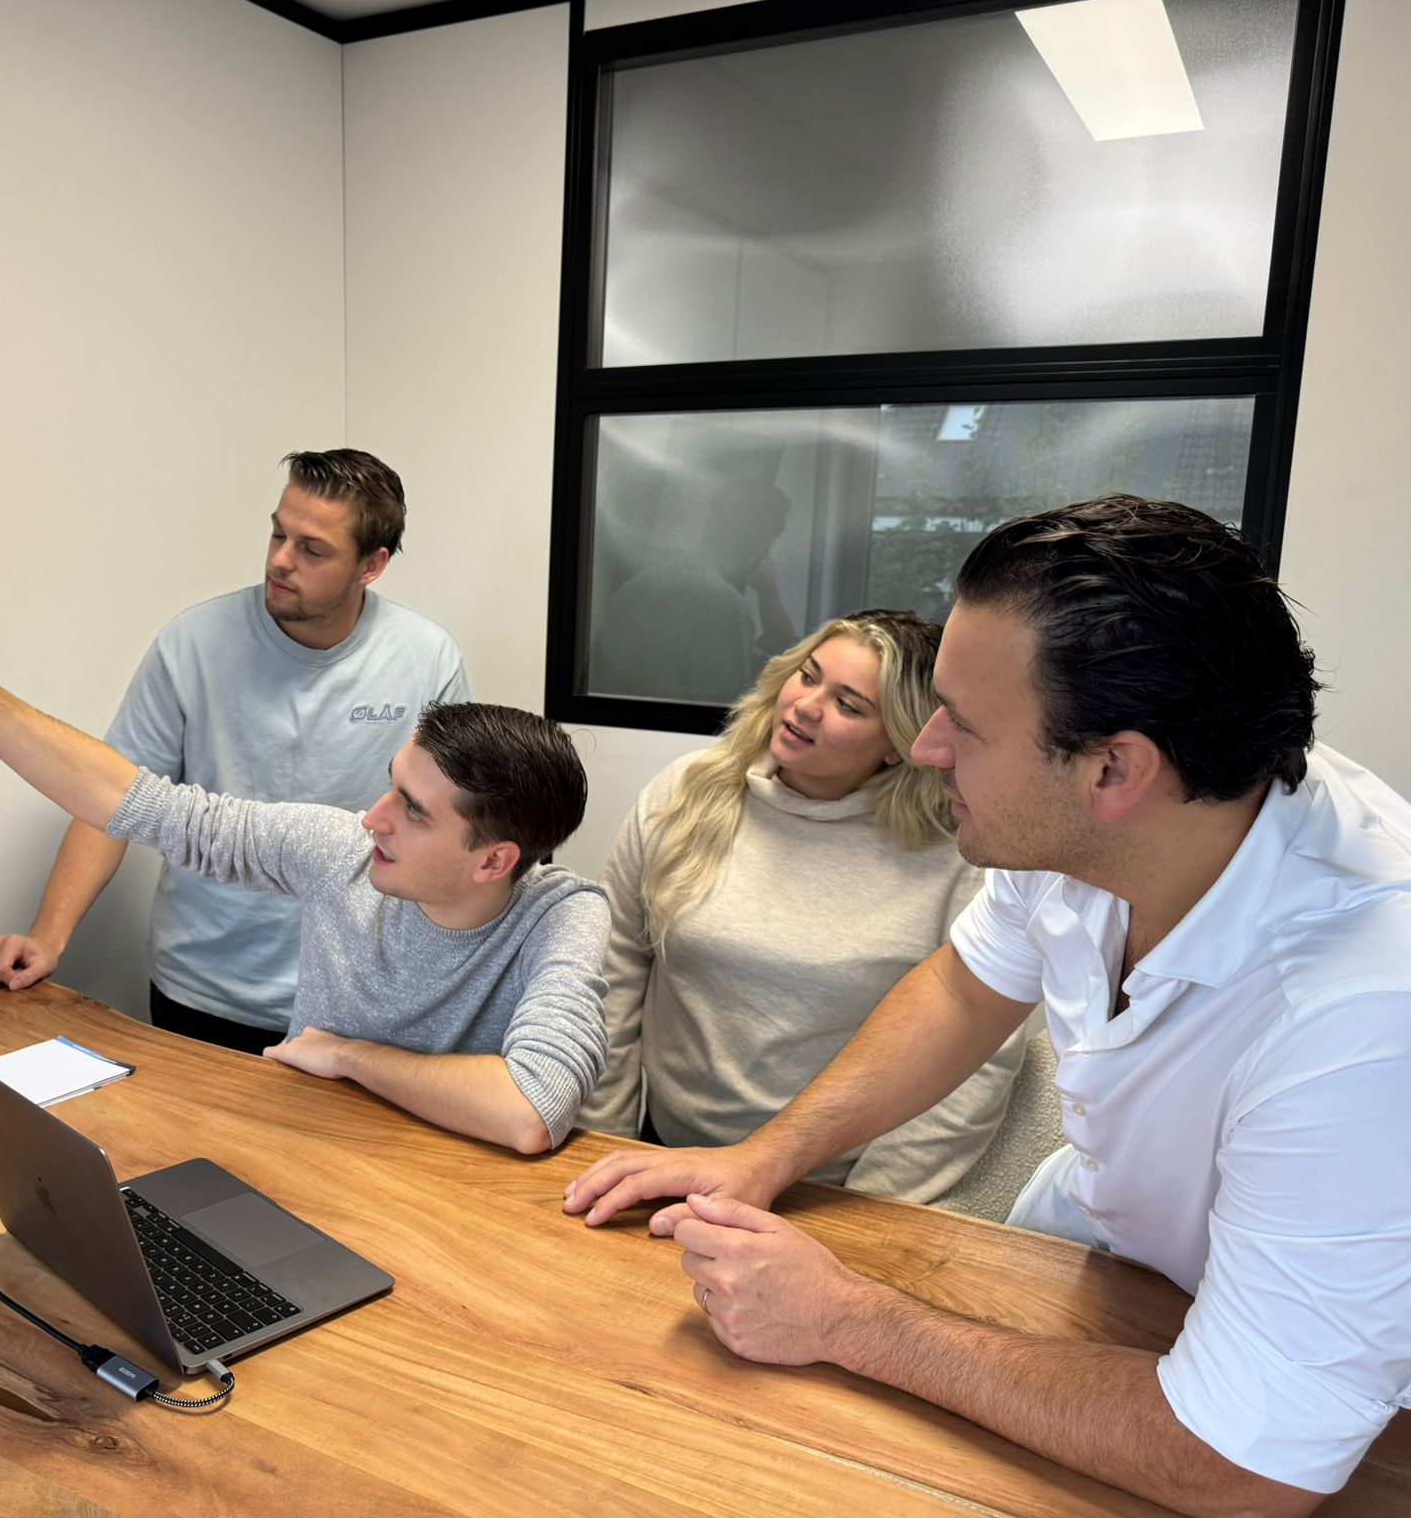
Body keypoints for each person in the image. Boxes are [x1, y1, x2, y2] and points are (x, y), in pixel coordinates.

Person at [564, 495, 1411, 1516]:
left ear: (1113, 769)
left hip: (1305, 1395)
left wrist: (849, 1318)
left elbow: (1242, 1468)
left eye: (961, 726)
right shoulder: (1099, 818)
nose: (925, 749)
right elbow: (965, 987)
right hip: (1111, 1261)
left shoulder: (1364, 1011)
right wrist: (764, 1157)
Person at [0, 585, 609, 1153]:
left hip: (458, 1220)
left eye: (413, 810)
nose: (374, 817)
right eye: (389, 786)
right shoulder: (337, 851)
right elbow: (126, 799)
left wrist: (346, 1055)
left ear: (494, 860)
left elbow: (529, 1110)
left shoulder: (564, 915)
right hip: (316, 1163)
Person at [0, 449, 470, 1054]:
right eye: (278, 534)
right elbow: (110, 799)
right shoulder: (193, 644)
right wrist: (48, 936)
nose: (280, 560)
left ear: (372, 565)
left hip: (356, 1000)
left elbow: (451, 830)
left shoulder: (427, 659)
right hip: (202, 989)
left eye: (312, 550)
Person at [578, 610, 1023, 1206]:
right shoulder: (686, 792)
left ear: (899, 745)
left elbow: (976, 1059)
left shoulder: (959, 857)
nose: (806, 706)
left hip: (830, 1191)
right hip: (663, 1157)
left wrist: (874, 1209)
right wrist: (605, 1141)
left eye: (848, 705)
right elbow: (613, 971)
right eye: (808, 676)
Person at [589, 478, 796, 706]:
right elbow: (725, 716)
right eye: (768, 543)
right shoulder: (725, 609)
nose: (767, 555)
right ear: (756, 544)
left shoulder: (639, 584)